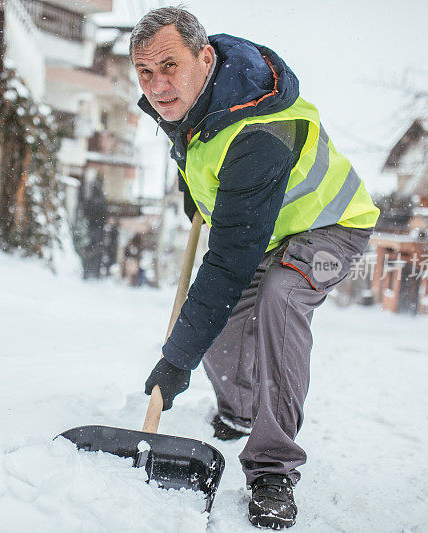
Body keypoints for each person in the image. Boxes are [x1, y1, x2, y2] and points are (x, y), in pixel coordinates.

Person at [132, 7, 379, 529]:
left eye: (169, 67)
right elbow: (199, 149)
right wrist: (192, 187)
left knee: (279, 297)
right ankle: (240, 409)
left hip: (333, 226)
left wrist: (175, 360)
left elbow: (224, 264)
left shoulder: (259, 132)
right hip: (268, 231)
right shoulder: (197, 96)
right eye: (145, 72)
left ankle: (273, 468)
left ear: (204, 58)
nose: (157, 86)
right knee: (219, 338)